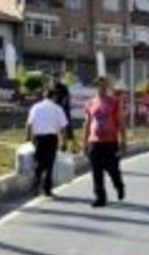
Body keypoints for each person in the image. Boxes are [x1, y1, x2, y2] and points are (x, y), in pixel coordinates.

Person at [83, 76, 127, 208]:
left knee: (113, 169)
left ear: (107, 87)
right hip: (94, 142)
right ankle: (100, 197)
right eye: (98, 85)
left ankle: (118, 185)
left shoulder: (114, 102)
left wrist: (123, 142)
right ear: (95, 87)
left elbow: (121, 122)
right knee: (96, 171)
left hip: (110, 142)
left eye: (103, 85)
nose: (101, 88)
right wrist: (84, 142)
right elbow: (87, 123)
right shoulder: (90, 103)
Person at [26, 88, 69, 197]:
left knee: (39, 163)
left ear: (44, 96)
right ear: (54, 96)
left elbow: (29, 124)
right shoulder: (57, 108)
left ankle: (35, 187)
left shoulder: (35, 107)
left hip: (38, 138)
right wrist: (64, 142)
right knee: (49, 164)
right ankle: (47, 189)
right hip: (51, 139)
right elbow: (63, 127)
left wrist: (28, 138)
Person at [51, 73, 74, 151]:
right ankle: (59, 145)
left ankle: (68, 146)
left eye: (56, 77)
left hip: (64, 110)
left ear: (59, 78)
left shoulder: (63, 87)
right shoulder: (51, 87)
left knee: (67, 129)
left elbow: (68, 97)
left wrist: (63, 104)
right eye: (53, 78)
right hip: (54, 111)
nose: (54, 79)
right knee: (56, 129)